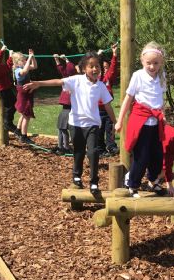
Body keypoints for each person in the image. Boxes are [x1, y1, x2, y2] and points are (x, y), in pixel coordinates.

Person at [23, 51, 117, 194]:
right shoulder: (76, 80)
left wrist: (116, 122)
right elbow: (59, 81)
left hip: (92, 125)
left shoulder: (101, 86)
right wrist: (39, 83)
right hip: (76, 124)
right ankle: (77, 176)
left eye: (97, 66)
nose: (95, 69)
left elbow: (108, 105)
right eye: (91, 66)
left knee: (93, 152)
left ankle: (93, 182)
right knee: (79, 151)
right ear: (84, 69)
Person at [115, 41, 167, 198]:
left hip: (156, 122)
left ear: (161, 63)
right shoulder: (138, 75)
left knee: (157, 154)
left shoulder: (162, 76)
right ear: (142, 61)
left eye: (156, 63)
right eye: (148, 63)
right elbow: (128, 98)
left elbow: (161, 98)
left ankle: (153, 180)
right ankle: (132, 184)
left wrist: (163, 114)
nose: (152, 66)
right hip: (141, 121)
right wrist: (119, 120)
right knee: (141, 156)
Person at [98, 43, 119, 157]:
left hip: (107, 110)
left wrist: (114, 54)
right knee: (99, 130)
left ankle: (111, 146)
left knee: (110, 128)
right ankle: (100, 149)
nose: (105, 70)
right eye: (104, 68)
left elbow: (113, 68)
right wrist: (99, 56)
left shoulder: (107, 79)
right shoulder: (97, 79)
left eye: (107, 68)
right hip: (97, 110)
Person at [53, 54, 77, 154]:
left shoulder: (75, 80)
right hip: (65, 107)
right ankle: (60, 146)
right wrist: (57, 60)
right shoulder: (67, 78)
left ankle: (66, 147)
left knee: (63, 128)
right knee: (60, 127)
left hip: (69, 107)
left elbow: (70, 69)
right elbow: (62, 70)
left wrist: (66, 59)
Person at [12, 50, 38, 144]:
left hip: (27, 94)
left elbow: (34, 66)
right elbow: (24, 71)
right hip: (24, 96)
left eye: (25, 59)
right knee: (27, 115)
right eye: (23, 60)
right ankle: (24, 136)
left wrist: (32, 57)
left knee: (23, 114)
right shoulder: (18, 70)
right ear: (17, 62)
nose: (25, 61)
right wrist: (29, 58)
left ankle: (18, 130)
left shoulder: (23, 66)